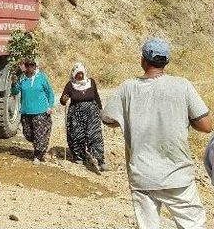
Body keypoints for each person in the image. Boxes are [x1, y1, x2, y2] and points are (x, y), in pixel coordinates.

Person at [102, 37, 212, 229]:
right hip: (178, 176)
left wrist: (129, 118)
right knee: (193, 225)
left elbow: (107, 119)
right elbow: (206, 126)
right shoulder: (182, 85)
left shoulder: (128, 87)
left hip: (142, 176)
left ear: (143, 60)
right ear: (166, 62)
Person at [60, 62, 108, 171]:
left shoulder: (91, 82)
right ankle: (79, 156)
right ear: (73, 74)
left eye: (81, 73)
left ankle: (100, 160)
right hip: (75, 114)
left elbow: (96, 97)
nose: (80, 76)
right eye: (77, 74)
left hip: (92, 114)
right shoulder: (70, 85)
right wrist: (64, 100)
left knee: (94, 135)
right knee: (76, 135)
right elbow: (62, 101)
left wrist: (101, 111)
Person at [10, 59, 55, 164]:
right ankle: (41, 146)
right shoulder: (22, 79)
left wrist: (50, 106)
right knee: (28, 134)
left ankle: (38, 155)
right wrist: (14, 83)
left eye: (32, 65)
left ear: (35, 66)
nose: (30, 67)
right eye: (28, 65)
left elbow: (50, 92)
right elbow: (15, 91)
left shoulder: (41, 78)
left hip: (41, 111)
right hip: (26, 111)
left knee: (40, 134)